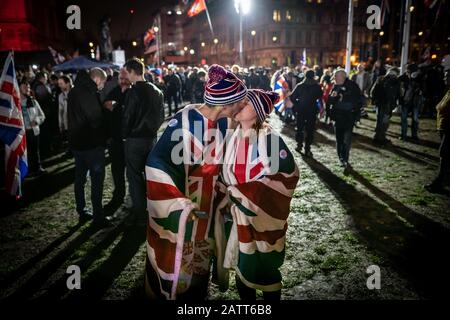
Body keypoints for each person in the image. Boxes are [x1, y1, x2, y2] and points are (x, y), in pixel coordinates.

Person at [144, 64, 247, 300]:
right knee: (181, 277)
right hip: (186, 212)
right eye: (239, 101)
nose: (242, 106)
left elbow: (222, 163)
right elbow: (157, 163)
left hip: (208, 210)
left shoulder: (223, 124)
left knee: (201, 271)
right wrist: (177, 202)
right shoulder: (185, 121)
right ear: (225, 102)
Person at [219, 89, 299, 301]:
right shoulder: (234, 135)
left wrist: (239, 194)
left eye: (244, 104)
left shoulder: (269, 138)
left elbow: (285, 176)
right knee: (243, 266)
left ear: (258, 111)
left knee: (264, 268)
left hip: (261, 218)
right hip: (238, 216)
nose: (238, 106)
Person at [122, 58, 165, 226]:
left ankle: (140, 214)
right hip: (150, 138)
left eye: (127, 72)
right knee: (149, 175)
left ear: (133, 72)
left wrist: (124, 134)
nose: (126, 76)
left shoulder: (133, 92)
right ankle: (152, 210)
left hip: (135, 139)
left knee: (134, 176)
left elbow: (128, 117)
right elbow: (161, 116)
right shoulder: (156, 91)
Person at [67, 68, 110, 227]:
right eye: (103, 82)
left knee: (80, 178)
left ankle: (81, 209)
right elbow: (95, 118)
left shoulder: (74, 90)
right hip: (91, 144)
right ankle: (98, 216)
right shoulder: (87, 92)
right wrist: (106, 111)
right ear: (97, 79)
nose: (103, 86)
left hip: (77, 143)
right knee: (97, 180)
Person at [103, 68, 131, 211]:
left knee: (133, 171)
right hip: (115, 138)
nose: (123, 81)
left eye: (125, 78)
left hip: (130, 138)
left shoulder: (133, 92)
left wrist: (116, 105)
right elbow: (106, 108)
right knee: (117, 169)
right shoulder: (113, 91)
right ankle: (119, 194)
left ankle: (134, 197)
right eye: (121, 78)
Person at [424, 55, 450, 193]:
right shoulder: (448, 90)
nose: (444, 78)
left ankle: (439, 182)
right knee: (445, 155)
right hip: (444, 128)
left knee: (444, 154)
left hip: (448, 129)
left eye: (447, 76)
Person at [328, 69, 362, 168]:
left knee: (346, 139)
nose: (334, 78)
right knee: (339, 139)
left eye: (335, 76)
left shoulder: (352, 86)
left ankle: (345, 158)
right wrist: (334, 99)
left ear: (342, 76)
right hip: (337, 117)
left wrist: (343, 99)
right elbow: (330, 101)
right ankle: (341, 158)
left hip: (348, 117)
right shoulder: (335, 86)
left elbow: (357, 101)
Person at [290, 70, 323, 156]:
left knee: (300, 128)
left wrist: (297, 104)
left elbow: (292, 97)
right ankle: (307, 148)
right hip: (311, 110)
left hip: (301, 110)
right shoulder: (316, 86)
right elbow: (320, 97)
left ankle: (299, 145)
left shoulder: (300, 86)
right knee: (309, 130)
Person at [19, 80, 46, 175]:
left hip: (33, 131)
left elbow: (42, 115)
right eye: (24, 87)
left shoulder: (33, 101)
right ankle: (27, 170)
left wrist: (36, 121)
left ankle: (38, 167)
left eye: (29, 87)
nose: (27, 89)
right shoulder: (16, 104)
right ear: (18, 88)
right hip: (22, 132)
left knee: (35, 151)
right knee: (26, 153)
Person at [370, 67, 401, 144]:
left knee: (380, 120)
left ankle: (378, 136)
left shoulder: (381, 79)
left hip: (382, 103)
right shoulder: (395, 81)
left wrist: (374, 100)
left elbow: (373, 91)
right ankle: (380, 137)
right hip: (387, 104)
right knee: (384, 121)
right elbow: (399, 93)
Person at [398, 64, 424, 140]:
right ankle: (403, 135)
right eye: (407, 71)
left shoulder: (419, 78)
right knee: (403, 119)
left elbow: (423, 88)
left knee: (415, 119)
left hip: (415, 102)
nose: (407, 72)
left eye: (409, 71)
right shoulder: (404, 77)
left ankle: (414, 135)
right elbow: (397, 80)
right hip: (405, 101)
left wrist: (418, 87)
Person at [57, 75, 72, 151]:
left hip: (76, 122)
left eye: (61, 83)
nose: (59, 86)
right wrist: (60, 124)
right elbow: (60, 111)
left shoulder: (75, 93)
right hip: (67, 122)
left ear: (68, 83)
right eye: (59, 84)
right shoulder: (60, 96)